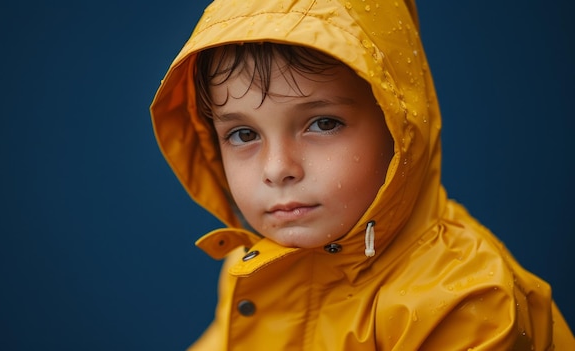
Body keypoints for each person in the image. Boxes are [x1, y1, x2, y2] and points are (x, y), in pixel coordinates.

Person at [150, 0, 575, 349]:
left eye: (322, 124)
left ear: (399, 125)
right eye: (243, 134)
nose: (278, 168)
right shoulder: (259, 265)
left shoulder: (462, 298)